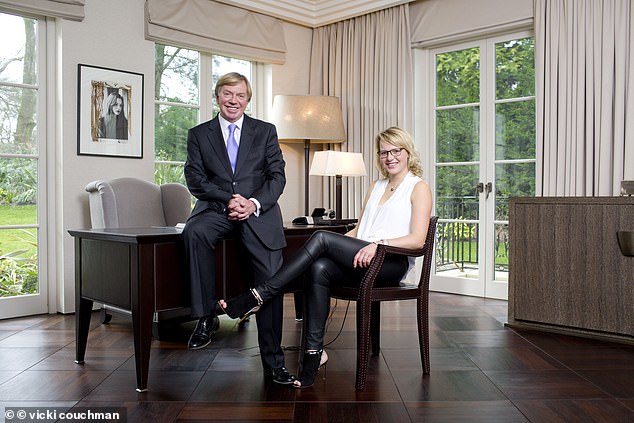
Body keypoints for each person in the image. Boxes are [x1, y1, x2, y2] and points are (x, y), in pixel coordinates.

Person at [218, 126, 433, 388]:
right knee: (319, 267)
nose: (390, 157)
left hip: (390, 262)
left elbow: (418, 239)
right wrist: (341, 244)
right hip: (363, 257)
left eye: (395, 151)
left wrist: (379, 244)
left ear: (407, 152)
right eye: (384, 152)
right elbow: (359, 230)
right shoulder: (376, 186)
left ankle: (259, 294)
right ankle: (313, 354)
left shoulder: (418, 187)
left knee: (320, 237)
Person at [182, 72, 294, 385]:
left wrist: (253, 203)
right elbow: (195, 179)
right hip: (217, 208)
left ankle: (273, 362)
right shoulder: (199, 134)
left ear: (248, 99)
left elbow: (277, 176)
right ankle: (207, 315)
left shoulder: (265, 131)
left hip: (257, 210)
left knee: (270, 277)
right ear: (217, 96)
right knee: (194, 232)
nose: (234, 101)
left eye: (240, 95)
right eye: (228, 94)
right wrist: (228, 199)